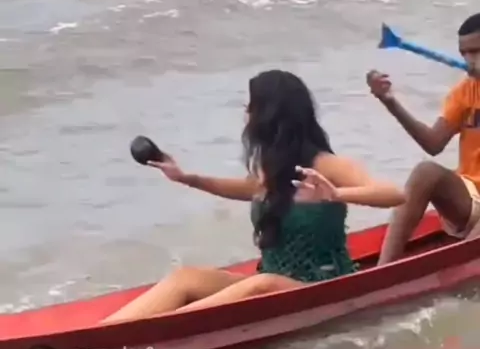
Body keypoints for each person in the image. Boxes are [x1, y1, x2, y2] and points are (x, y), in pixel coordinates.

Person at [102, 69, 405, 324]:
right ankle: (104, 333)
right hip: (273, 279)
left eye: (251, 105)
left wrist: (336, 193)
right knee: (186, 277)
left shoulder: (325, 165)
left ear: (270, 115)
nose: (246, 112)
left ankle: (155, 331)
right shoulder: (271, 166)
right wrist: (187, 178)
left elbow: (394, 194)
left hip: (322, 287)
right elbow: (249, 190)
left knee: (261, 284)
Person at [367, 13, 480, 266]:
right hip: (472, 197)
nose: (469, 61)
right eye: (464, 53)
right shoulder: (464, 92)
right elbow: (433, 144)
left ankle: (463, 269)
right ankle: (382, 271)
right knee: (425, 172)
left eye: (476, 52)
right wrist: (390, 102)